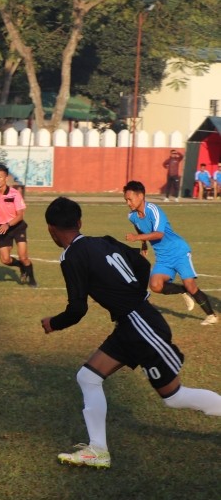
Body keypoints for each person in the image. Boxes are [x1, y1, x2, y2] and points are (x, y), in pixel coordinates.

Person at [40, 196, 221, 469]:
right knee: (88, 376)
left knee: (174, 397)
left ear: (51, 229)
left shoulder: (70, 256)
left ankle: (98, 449)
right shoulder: (105, 240)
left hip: (141, 326)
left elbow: (77, 309)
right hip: (132, 324)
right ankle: (97, 450)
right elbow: (142, 263)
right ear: (79, 222)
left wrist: (53, 323)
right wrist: (133, 295)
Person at [123, 180, 216, 325]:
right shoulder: (132, 216)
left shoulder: (154, 210)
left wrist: (136, 238)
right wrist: (144, 244)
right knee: (155, 285)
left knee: (191, 285)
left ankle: (212, 315)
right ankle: (182, 290)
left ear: (140, 196)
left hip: (178, 251)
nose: (128, 203)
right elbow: (139, 227)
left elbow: (159, 234)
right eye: (126, 200)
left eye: (130, 199)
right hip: (163, 257)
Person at [0, 164, 38, 287]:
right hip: (2, 227)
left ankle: (32, 279)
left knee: (23, 256)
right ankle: (21, 266)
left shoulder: (14, 194)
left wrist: (8, 224)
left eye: (0, 177)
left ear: (6, 178)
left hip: (17, 226)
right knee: (5, 260)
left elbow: (20, 215)